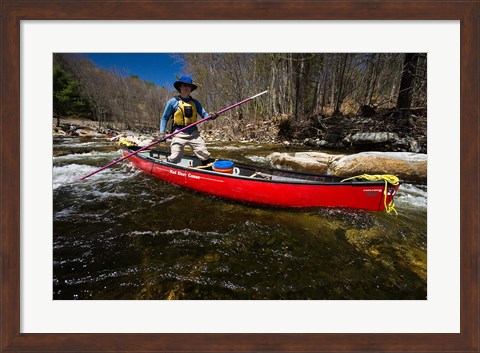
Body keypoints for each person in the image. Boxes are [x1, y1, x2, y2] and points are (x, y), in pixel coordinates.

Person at [159, 76, 218, 164]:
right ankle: (167, 166)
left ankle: (207, 169)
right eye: (184, 85)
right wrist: (162, 133)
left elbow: (205, 115)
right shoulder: (172, 102)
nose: (187, 87)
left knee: (204, 153)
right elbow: (165, 118)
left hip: (194, 133)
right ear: (180, 87)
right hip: (179, 133)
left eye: (189, 86)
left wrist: (211, 116)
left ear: (191, 88)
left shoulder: (195, 103)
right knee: (175, 155)